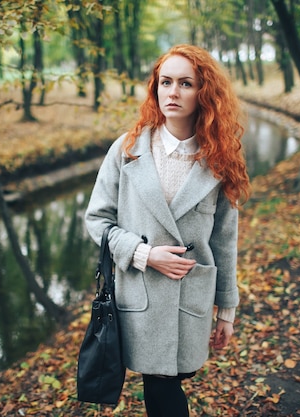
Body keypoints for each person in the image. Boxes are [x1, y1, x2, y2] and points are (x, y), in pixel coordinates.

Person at [84, 44, 250, 416]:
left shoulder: (221, 157)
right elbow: (97, 220)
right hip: (141, 297)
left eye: (185, 83)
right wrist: (144, 255)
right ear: (155, 87)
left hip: (192, 296)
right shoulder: (127, 151)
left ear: (203, 92)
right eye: (165, 82)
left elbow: (224, 239)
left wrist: (227, 309)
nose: (172, 92)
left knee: (173, 379)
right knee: (161, 386)